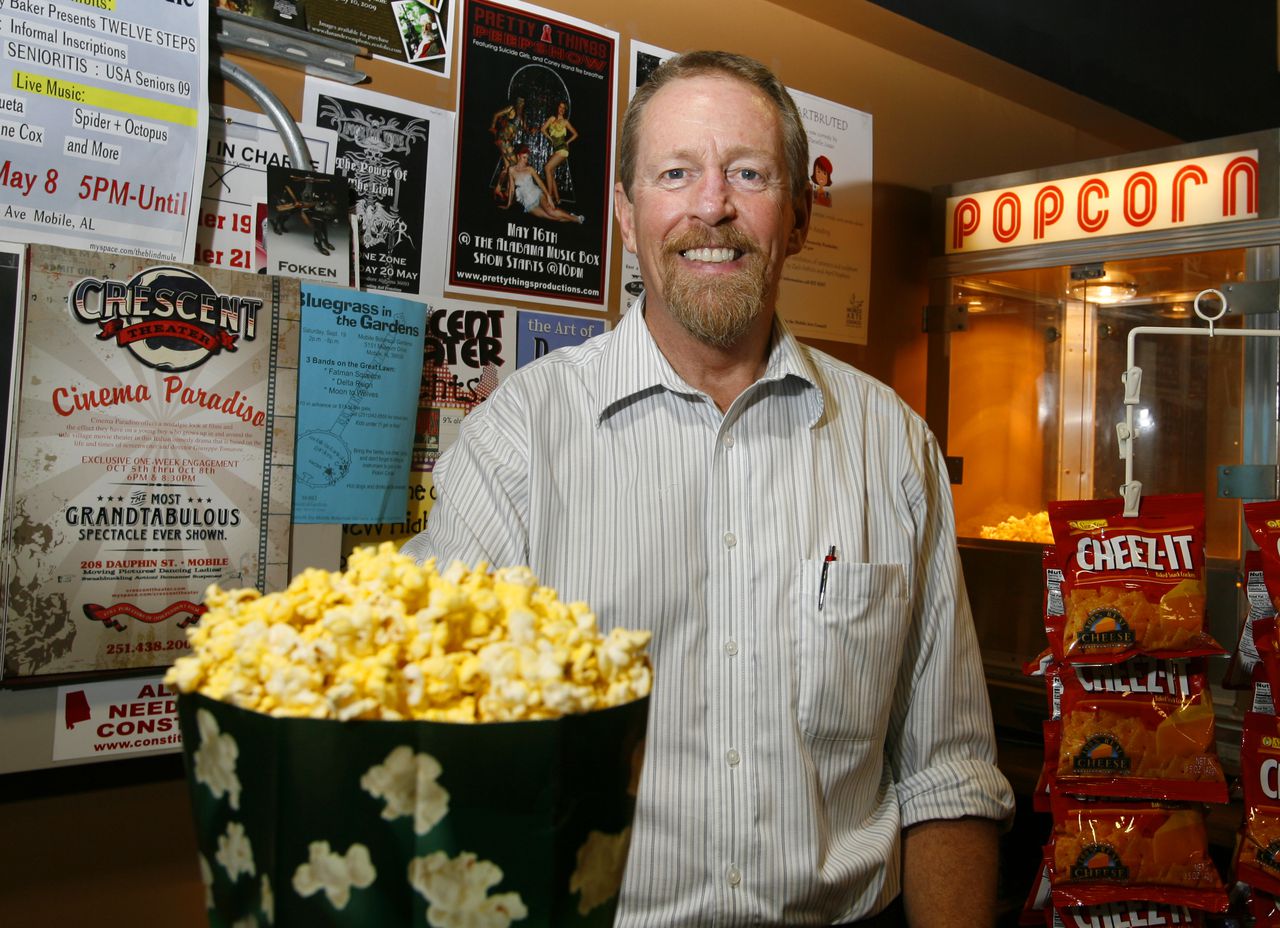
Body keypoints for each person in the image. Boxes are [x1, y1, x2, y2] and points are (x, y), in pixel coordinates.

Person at [404, 50, 1013, 927]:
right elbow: (435, 751)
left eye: (750, 173)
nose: (711, 206)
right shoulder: (519, 439)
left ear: (799, 216)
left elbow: (947, 770)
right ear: (623, 212)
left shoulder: (895, 446)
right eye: (675, 172)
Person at [501, 146, 583, 224]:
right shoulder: (511, 170)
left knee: (551, 212)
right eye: (524, 157)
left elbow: (540, 182)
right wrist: (508, 204)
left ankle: (577, 219)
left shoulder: (529, 169)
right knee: (553, 218)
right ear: (518, 156)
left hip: (537, 194)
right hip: (527, 202)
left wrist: (548, 196)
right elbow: (511, 188)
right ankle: (571, 216)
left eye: (527, 158)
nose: (525, 160)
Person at [540, 99, 579, 205]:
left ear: (565, 110)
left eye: (563, 108)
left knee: (547, 168)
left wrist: (567, 142)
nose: (561, 109)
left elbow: (575, 134)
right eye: (560, 107)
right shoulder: (552, 119)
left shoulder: (565, 122)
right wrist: (550, 138)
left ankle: (550, 197)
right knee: (551, 173)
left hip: (563, 150)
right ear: (557, 108)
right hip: (556, 150)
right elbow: (543, 129)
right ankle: (557, 199)